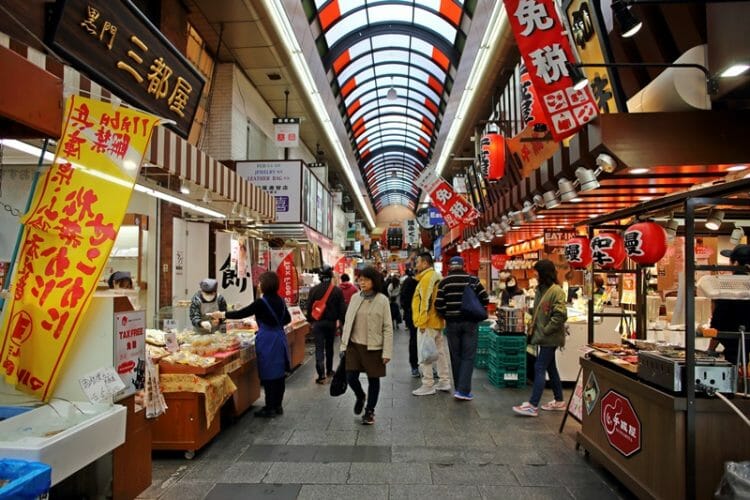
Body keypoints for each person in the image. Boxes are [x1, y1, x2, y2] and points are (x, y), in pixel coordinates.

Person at [212, 272, 291, 418]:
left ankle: (269, 407)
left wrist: (222, 315)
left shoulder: (261, 302)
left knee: (268, 373)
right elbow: (287, 318)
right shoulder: (280, 300)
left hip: (267, 340)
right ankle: (278, 405)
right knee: (279, 372)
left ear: (265, 285)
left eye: (260, 282)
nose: (258, 285)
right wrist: (275, 326)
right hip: (279, 339)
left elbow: (242, 313)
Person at [513, 259, 568, 417]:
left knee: (539, 367)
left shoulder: (556, 291)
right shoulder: (541, 290)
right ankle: (559, 401)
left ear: (544, 273)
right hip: (544, 336)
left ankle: (533, 404)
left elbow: (560, 315)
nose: (534, 274)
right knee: (551, 368)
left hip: (549, 337)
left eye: (536, 271)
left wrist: (545, 330)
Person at [340, 265, 393, 425]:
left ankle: (369, 411)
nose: (362, 283)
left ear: (374, 281)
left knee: (373, 379)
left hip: (373, 347)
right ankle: (360, 395)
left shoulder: (382, 300)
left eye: (366, 280)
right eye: (360, 280)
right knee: (350, 377)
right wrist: (343, 346)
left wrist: (387, 352)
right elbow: (348, 322)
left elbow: (387, 327)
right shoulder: (356, 298)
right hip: (354, 346)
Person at [435, 256, 489, 401]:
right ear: (463, 265)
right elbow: (485, 298)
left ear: (450, 266)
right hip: (470, 323)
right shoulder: (472, 280)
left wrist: (448, 314)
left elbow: (439, 304)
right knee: (468, 356)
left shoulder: (444, 282)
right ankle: (463, 390)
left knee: (456, 355)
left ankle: (460, 388)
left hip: (452, 324)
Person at [411, 252, 450, 396]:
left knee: (425, 352)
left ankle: (428, 384)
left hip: (427, 322)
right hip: (437, 321)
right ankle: (444, 381)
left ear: (425, 263)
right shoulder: (436, 276)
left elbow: (425, 302)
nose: (416, 265)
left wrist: (421, 322)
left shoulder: (427, 278)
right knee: (439, 351)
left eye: (418, 262)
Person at [708, 244, 750, 365]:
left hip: (734, 351)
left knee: (736, 380)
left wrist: (711, 349)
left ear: (735, 263)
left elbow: (717, 323)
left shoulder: (727, 287)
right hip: (742, 348)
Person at [306, 265, 346, 384]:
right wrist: (341, 323)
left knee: (319, 348)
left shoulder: (313, 290)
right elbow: (342, 309)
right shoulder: (337, 290)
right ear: (331, 276)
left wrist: (310, 320)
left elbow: (309, 307)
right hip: (331, 323)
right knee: (329, 347)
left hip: (318, 323)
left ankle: (321, 375)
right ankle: (329, 370)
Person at [400, 268, 420, 377]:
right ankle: (415, 365)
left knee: (423, 342)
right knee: (415, 341)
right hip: (414, 316)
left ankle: (421, 366)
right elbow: (404, 300)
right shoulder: (410, 282)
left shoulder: (425, 280)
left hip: (419, 316)